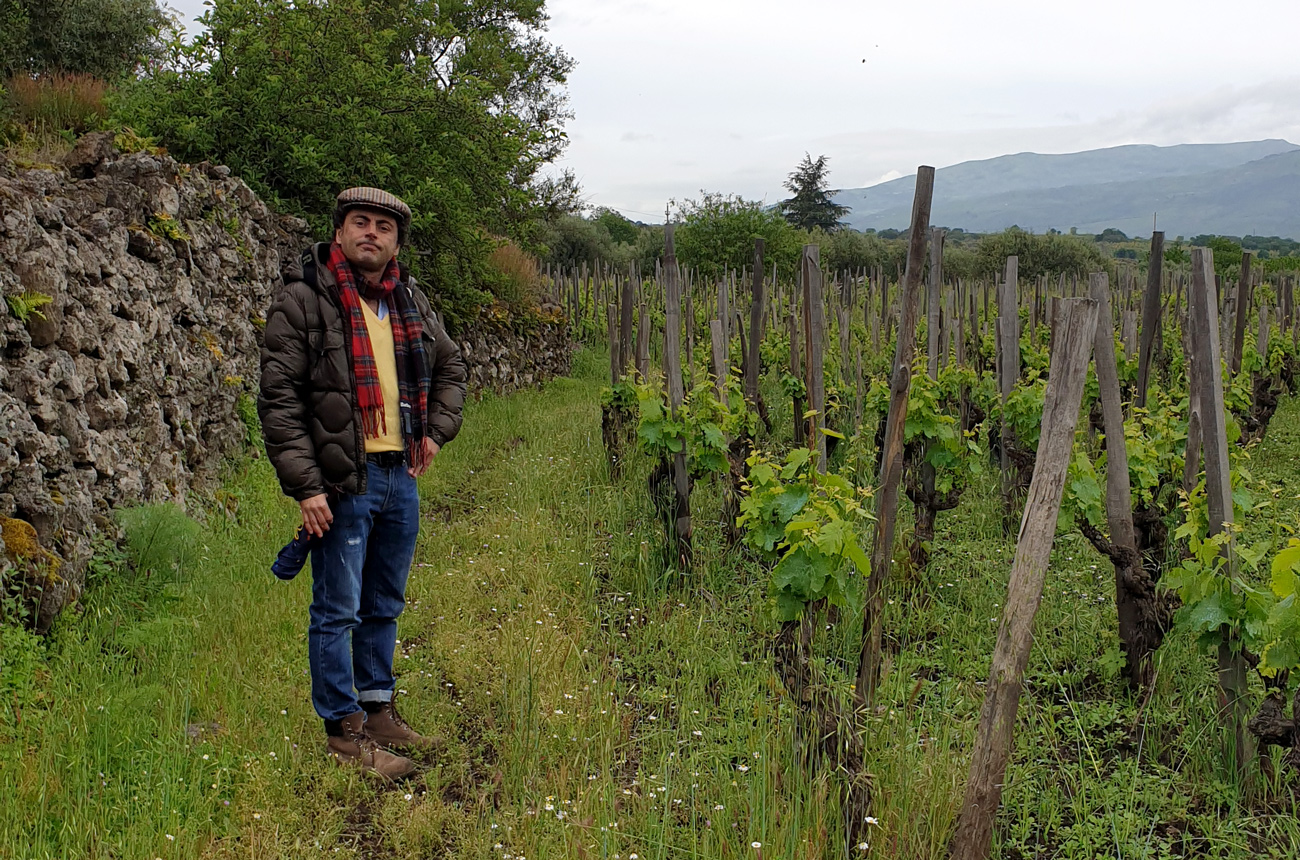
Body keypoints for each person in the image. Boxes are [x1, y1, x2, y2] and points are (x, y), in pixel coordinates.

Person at [259, 187, 467, 780]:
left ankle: (378, 710)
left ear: (396, 242)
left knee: (384, 603)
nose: (371, 232)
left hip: (400, 475)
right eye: (360, 222)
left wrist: (436, 432)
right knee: (337, 609)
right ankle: (345, 735)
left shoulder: (410, 302)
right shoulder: (302, 301)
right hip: (342, 482)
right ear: (340, 232)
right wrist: (306, 486)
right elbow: (280, 402)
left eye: (384, 226)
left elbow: (452, 366)